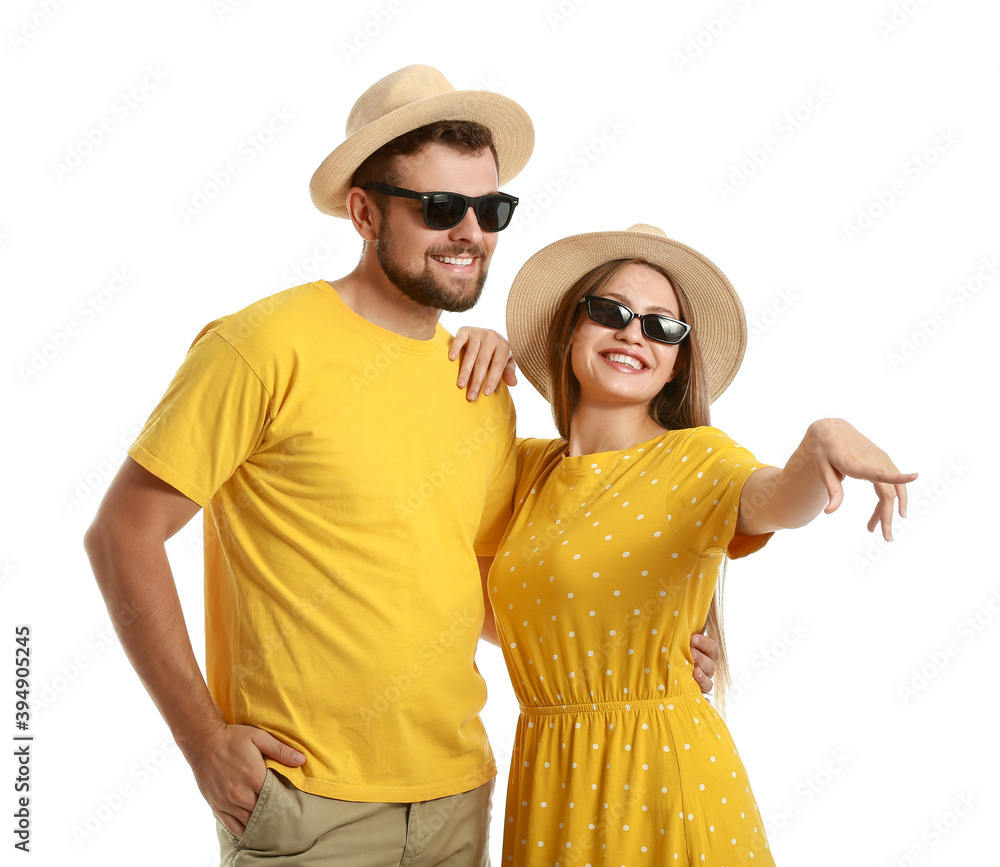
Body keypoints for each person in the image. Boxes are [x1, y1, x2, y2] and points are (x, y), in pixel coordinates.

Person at [82, 65, 721, 864]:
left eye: (490, 209)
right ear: (363, 211)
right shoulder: (262, 346)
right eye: (440, 207)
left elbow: (495, 598)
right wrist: (202, 739)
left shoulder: (480, 387)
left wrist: (649, 643)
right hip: (304, 801)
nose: (470, 232)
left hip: (460, 797)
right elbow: (122, 534)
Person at [488, 223, 915, 864]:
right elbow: (482, 600)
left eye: (662, 327)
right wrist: (472, 346)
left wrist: (822, 441)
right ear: (569, 328)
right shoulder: (524, 471)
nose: (634, 333)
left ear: (678, 362)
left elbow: (774, 499)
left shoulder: (694, 459)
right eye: (612, 312)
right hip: (551, 775)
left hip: (662, 777)